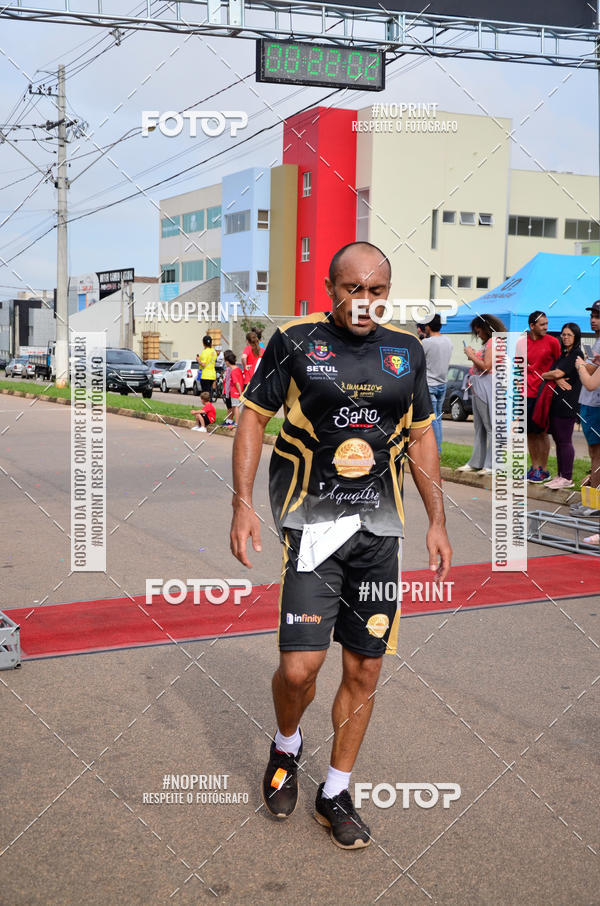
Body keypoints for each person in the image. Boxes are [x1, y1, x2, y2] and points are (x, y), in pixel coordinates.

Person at [230, 241, 452, 850]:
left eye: (377, 291)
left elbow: (424, 436)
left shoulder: (405, 352)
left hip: (379, 536)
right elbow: (253, 417)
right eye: (354, 290)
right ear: (331, 289)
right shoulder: (297, 341)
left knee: (366, 666)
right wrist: (243, 504)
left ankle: (337, 790)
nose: (366, 303)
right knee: (301, 669)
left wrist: (437, 520)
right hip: (313, 530)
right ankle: (286, 744)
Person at [456, 314, 507, 475]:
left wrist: (471, 355)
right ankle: (477, 461)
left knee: (490, 426)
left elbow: (486, 366)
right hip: (480, 385)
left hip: (487, 385)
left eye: (479, 331)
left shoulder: (494, 342)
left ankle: (492, 464)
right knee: (480, 426)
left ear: (486, 329)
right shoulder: (490, 343)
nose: (478, 335)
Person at [537, 323, 582, 489]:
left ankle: (567, 477)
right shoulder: (564, 354)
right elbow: (552, 373)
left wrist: (551, 375)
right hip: (555, 401)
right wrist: (554, 377)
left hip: (568, 403)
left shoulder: (576, 354)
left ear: (576, 336)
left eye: (569, 335)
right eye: (563, 334)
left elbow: (555, 372)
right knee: (558, 439)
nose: (565, 337)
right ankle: (560, 475)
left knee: (564, 441)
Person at [526, 311, 561, 483]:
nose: (546, 327)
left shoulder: (553, 342)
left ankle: (543, 469)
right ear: (532, 326)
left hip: (543, 394)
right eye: (542, 324)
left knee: (541, 433)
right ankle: (534, 467)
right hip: (526, 393)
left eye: (547, 323)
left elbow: (559, 366)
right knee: (530, 433)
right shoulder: (521, 342)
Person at [417, 314, 453, 456]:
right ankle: (436, 449)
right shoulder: (448, 341)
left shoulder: (426, 343)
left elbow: (419, 361)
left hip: (429, 384)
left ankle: (435, 452)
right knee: (438, 418)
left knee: (433, 420)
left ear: (428, 326)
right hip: (443, 383)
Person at [575, 300, 600, 493]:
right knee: (594, 453)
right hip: (589, 403)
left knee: (596, 453)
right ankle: (593, 491)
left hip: (594, 404)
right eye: (592, 316)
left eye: (598, 316)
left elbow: (590, 379)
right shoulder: (596, 342)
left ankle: (595, 499)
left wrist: (581, 365)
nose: (593, 320)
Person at [222, 350, 243, 427]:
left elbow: (236, 383)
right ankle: (235, 422)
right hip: (237, 391)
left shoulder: (233, 371)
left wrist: (240, 393)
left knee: (236, 407)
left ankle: (237, 423)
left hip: (235, 391)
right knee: (235, 407)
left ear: (227, 362)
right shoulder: (238, 369)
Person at [197, 335, 217, 401]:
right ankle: (210, 405)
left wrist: (198, 360)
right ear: (211, 343)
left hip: (205, 375)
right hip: (212, 374)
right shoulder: (214, 352)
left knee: (205, 394)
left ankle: (207, 408)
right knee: (209, 393)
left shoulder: (204, 352)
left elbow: (203, 364)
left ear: (203, 343)